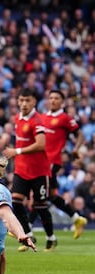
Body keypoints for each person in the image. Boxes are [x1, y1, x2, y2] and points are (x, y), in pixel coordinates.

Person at [3, 88, 56, 252]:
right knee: (16, 202)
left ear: (34, 102)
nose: (24, 104)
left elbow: (41, 144)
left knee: (40, 206)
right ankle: (28, 233)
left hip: (39, 171)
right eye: (21, 100)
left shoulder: (38, 120)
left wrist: (16, 152)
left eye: (27, 100)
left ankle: (51, 238)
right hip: (21, 169)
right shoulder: (17, 118)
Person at [30, 89, 87, 239]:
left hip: (52, 161)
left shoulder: (65, 118)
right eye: (51, 98)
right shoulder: (42, 117)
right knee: (51, 195)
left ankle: (27, 226)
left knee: (39, 193)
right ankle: (76, 218)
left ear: (62, 101)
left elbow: (79, 134)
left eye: (56, 98)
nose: (53, 100)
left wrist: (75, 149)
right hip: (40, 161)